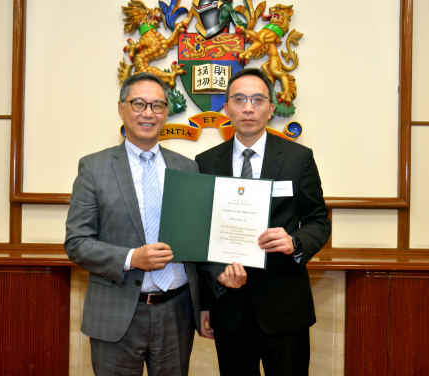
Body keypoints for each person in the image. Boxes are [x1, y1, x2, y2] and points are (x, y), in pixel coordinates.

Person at [195, 68, 331, 376]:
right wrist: (210, 291)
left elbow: (319, 220)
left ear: (270, 108)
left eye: (257, 100)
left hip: (284, 308)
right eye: (239, 99)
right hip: (228, 306)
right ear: (226, 107)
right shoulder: (204, 162)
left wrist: (295, 242)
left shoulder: (299, 158)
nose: (248, 108)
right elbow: (199, 235)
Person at [65, 73, 201, 376]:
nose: (148, 113)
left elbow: (196, 240)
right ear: (121, 108)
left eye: (157, 105)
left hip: (176, 311)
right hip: (117, 312)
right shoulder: (94, 167)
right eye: (139, 104)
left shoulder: (187, 167)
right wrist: (131, 258)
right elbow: (76, 243)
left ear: (167, 112)